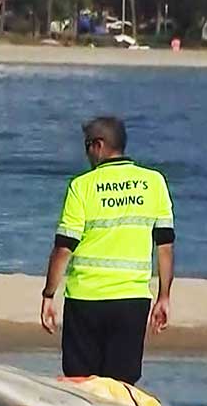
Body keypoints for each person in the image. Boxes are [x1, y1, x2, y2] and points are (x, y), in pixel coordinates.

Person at [39, 116, 174, 385]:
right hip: (131, 301)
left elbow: (64, 248)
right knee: (121, 386)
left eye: (87, 146)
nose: (87, 154)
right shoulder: (154, 182)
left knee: (81, 384)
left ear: (98, 146)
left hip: (85, 301)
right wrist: (164, 297)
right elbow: (165, 246)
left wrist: (48, 294)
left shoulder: (82, 186)